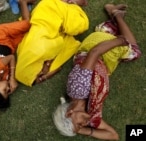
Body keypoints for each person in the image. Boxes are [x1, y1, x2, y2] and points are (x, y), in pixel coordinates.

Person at [53, 3, 141, 140]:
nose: (84, 124)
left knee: (133, 52)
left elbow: (95, 53)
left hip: (93, 49)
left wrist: (121, 41)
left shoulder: (78, 89)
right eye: (81, 127)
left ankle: (116, 14)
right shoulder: (89, 107)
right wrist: (84, 131)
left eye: (79, 124)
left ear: (69, 113)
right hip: (97, 56)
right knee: (113, 41)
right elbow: (113, 136)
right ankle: (106, 28)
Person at [15, 0, 89, 86]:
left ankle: (74, 3)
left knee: (78, 25)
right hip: (42, 23)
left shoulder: (46, 2)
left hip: (42, 27)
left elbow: (58, 43)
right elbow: (78, 27)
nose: (86, 3)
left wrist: (47, 65)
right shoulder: (66, 8)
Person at [0, 0, 36, 110]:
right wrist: (11, 83)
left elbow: (11, 58)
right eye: (8, 93)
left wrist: (12, 78)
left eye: (5, 90)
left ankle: (23, 2)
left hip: (1, 35)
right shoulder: (3, 79)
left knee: (28, 25)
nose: (8, 89)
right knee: (31, 34)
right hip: (10, 46)